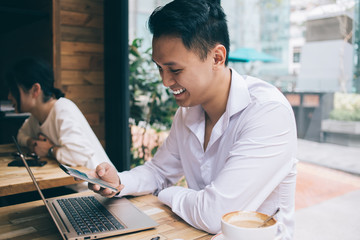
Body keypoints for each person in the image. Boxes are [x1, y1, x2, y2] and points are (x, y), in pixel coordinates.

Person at [88, 0, 297, 239]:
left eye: (175, 70)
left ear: (217, 58)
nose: (165, 82)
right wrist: (118, 181)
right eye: (159, 68)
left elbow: (213, 214)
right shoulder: (188, 111)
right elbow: (159, 172)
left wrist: (167, 194)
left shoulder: (267, 113)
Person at [6, 57, 114, 171]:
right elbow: (21, 136)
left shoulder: (62, 109)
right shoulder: (35, 117)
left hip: (95, 186)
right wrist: (33, 143)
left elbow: (80, 156)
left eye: (13, 90)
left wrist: (50, 150)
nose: (9, 97)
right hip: (69, 185)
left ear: (35, 90)